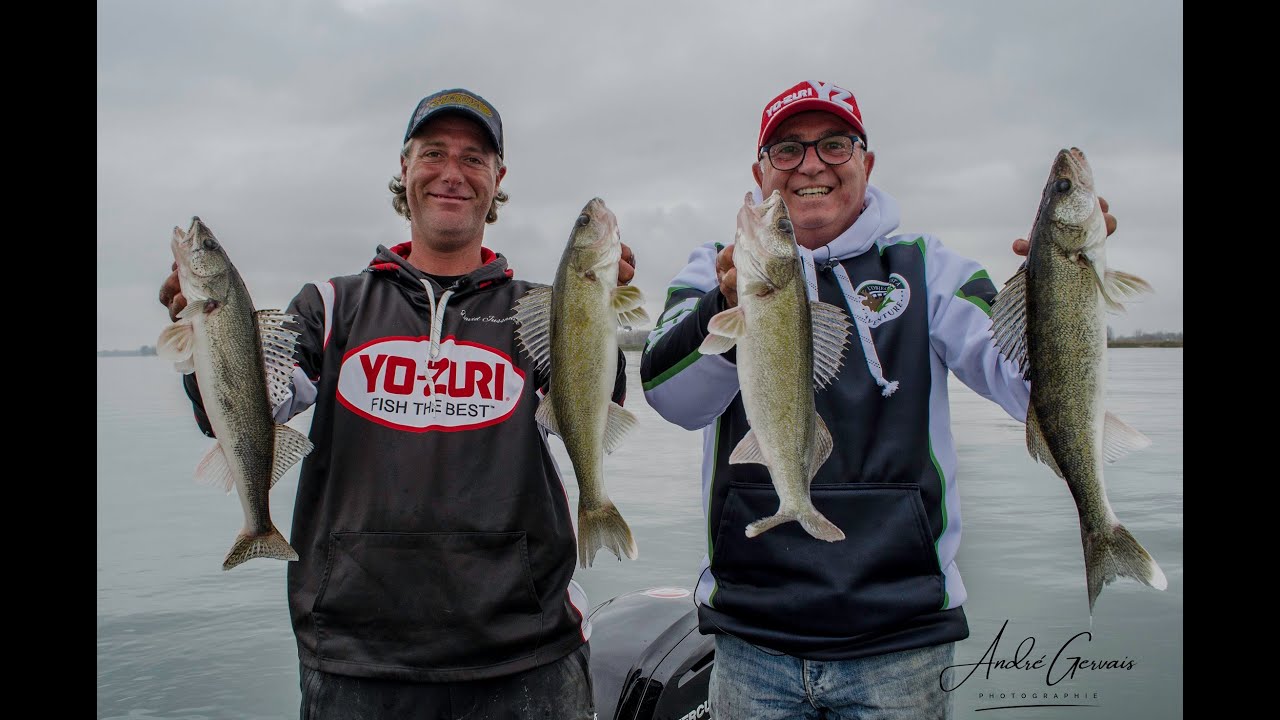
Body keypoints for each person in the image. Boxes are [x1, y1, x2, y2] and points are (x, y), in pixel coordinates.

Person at [638, 80, 1116, 720]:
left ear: (867, 162)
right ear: (759, 172)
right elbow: (672, 399)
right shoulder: (715, 271)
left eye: (835, 144)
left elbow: (1026, 384)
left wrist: (1057, 289)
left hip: (902, 638)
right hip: (752, 634)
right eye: (787, 149)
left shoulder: (930, 268)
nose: (811, 164)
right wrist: (727, 305)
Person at [158, 88, 637, 720]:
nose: (451, 172)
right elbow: (254, 409)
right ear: (404, 169)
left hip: (527, 653)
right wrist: (206, 349)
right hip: (356, 656)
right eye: (432, 152)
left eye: (474, 157)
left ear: (498, 181)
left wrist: (598, 315)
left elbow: (595, 404)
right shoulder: (329, 306)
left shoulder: (537, 310)